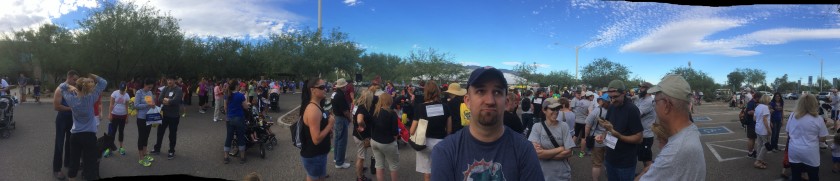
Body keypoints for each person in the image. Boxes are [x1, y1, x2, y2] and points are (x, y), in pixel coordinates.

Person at [432, 66, 544, 180]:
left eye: (497, 92)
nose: (490, 101)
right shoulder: (445, 151)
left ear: (506, 102)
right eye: (480, 91)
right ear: (467, 101)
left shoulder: (524, 150)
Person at [637, 74, 705, 181]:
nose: (654, 106)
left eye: (655, 102)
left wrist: (645, 171)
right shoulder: (691, 130)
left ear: (667, 106)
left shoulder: (674, 152)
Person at [60, 73, 107, 181]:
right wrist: (94, 76)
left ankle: (72, 178)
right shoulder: (91, 98)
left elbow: (61, 86)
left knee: (74, 162)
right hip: (89, 136)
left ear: (77, 87)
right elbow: (103, 82)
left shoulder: (71, 100)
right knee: (90, 162)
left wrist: (70, 86)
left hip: (75, 135)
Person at [594, 80, 643, 181]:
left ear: (624, 93)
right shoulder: (612, 107)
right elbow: (608, 127)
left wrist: (618, 136)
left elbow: (639, 138)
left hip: (625, 162)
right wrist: (602, 136)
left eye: (615, 97)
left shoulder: (632, 110)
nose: (612, 100)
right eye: (610, 97)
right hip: (610, 158)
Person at [410, 80, 451, 181]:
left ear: (426, 92)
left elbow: (411, 131)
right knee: (440, 171)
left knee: (427, 173)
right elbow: (449, 130)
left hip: (424, 143)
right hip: (441, 143)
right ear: (438, 91)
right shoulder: (445, 107)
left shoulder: (420, 107)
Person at [529, 97, 576, 180]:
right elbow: (536, 153)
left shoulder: (564, 126)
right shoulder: (537, 127)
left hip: (562, 175)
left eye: (557, 109)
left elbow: (569, 152)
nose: (556, 112)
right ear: (544, 110)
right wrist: (561, 148)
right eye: (552, 109)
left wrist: (544, 154)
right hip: (542, 175)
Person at [786, 94, 830, 180]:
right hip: (810, 152)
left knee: (795, 176)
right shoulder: (818, 119)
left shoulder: (792, 115)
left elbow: (788, 133)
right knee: (813, 176)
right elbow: (823, 139)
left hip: (794, 150)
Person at [300, 78, 335, 181]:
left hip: (317, 155)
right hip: (315, 155)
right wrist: (330, 125)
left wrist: (327, 129)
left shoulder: (317, 106)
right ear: (312, 90)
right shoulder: (313, 110)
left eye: (326, 87)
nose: (325, 89)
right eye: (322, 87)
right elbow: (316, 139)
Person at [52, 70, 79, 180]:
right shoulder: (60, 89)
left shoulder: (74, 89)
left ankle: (68, 163)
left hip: (72, 119)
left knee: (70, 142)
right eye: (75, 79)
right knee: (59, 143)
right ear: (69, 77)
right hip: (62, 119)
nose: (76, 82)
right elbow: (56, 106)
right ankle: (57, 169)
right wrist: (71, 109)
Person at [151, 76, 184, 160]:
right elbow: (160, 98)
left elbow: (176, 101)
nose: (169, 81)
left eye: (171, 80)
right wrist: (169, 101)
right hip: (164, 115)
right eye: (168, 80)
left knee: (172, 134)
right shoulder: (165, 88)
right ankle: (157, 148)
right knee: (160, 132)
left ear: (175, 80)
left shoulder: (178, 90)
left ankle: (171, 150)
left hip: (174, 116)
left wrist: (167, 101)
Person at [371, 94, 400, 181]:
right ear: (390, 101)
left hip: (375, 141)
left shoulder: (375, 111)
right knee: (393, 165)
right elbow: (395, 132)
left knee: (379, 165)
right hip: (387, 142)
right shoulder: (392, 113)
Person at [584, 93, 610, 181]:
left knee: (597, 163)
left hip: (597, 139)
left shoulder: (597, 111)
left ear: (602, 101)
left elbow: (588, 125)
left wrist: (586, 136)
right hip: (610, 140)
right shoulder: (613, 110)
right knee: (609, 161)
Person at [224, 81, 249, 164]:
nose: (239, 86)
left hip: (230, 119)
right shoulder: (240, 95)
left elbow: (225, 107)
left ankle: (226, 157)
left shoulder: (227, 95)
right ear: (236, 86)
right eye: (238, 85)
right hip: (239, 118)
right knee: (240, 136)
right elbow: (245, 106)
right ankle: (242, 157)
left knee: (229, 137)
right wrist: (247, 105)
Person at [352, 88, 375, 181]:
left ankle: (360, 171)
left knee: (360, 155)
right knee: (361, 157)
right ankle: (360, 177)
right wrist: (363, 125)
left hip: (357, 134)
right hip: (361, 136)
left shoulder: (358, 105)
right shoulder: (362, 108)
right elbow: (359, 120)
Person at [331, 78, 353, 169]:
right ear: (343, 86)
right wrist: (350, 118)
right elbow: (345, 111)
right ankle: (340, 162)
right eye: (345, 86)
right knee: (342, 141)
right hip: (341, 118)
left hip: (337, 117)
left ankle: (336, 158)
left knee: (337, 139)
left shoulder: (334, 94)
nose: (346, 87)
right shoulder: (340, 95)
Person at [634, 82, 656, 168]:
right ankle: (646, 174)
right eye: (640, 87)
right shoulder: (642, 99)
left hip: (646, 135)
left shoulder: (649, 101)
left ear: (648, 90)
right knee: (643, 157)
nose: (640, 89)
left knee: (647, 159)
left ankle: (650, 176)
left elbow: (636, 114)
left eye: (642, 88)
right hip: (642, 133)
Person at [134, 79, 156, 167]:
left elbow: (151, 102)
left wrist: (153, 104)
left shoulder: (150, 93)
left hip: (149, 117)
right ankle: (141, 158)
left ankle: (145, 154)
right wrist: (147, 105)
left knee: (146, 136)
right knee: (141, 137)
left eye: (151, 87)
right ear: (145, 84)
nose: (150, 89)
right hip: (141, 118)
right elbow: (136, 105)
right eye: (149, 87)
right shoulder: (139, 93)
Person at [108, 82, 131, 156]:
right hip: (114, 115)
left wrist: (127, 117)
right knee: (112, 132)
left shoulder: (127, 95)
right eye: (121, 89)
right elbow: (111, 104)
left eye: (123, 89)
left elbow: (127, 107)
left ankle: (121, 147)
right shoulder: (115, 93)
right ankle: (110, 148)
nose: (122, 91)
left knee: (121, 131)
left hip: (123, 116)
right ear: (119, 88)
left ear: (125, 89)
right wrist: (110, 114)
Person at [753, 94, 772, 169]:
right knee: (766, 145)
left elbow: (754, 118)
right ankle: (758, 161)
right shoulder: (765, 107)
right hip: (763, 130)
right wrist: (769, 129)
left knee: (759, 145)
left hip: (758, 128)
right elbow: (764, 119)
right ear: (767, 100)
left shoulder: (757, 106)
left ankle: (759, 159)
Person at [572, 90, 591, 158]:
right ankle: (582, 153)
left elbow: (576, 110)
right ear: (590, 97)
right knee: (583, 137)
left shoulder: (580, 101)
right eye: (592, 96)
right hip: (584, 122)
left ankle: (570, 150)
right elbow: (590, 114)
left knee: (575, 135)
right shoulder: (589, 103)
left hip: (577, 120)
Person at [744, 92, 761, 158]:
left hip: (754, 123)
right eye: (760, 98)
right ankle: (750, 152)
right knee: (751, 138)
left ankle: (752, 150)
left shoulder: (755, 103)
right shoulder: (751, 103)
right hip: (751, 123)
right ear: (757, 97)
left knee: (753, 138)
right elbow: (749, 112)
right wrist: (758, 111)